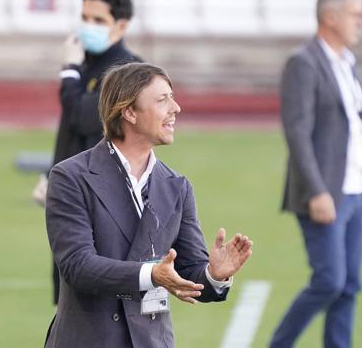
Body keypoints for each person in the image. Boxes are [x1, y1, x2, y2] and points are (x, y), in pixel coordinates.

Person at [44, 62, 253, 348]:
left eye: (173, 96)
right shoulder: (70, 177)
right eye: (162, 99)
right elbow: (78, 265)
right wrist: (151, 275)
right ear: (129, 112)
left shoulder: (177, 186)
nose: (176, 108)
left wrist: (214, 275)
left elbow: (188, 272)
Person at [269, 0, 362, 348]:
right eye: (356, 15)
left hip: (357, 192)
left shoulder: (348, 62)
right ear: (330, 17)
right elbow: (297, 132)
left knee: (348, 287)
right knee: (329, 281)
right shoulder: (304, 63)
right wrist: (317, 191)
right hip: (326, 193)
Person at [45, 0, 142, 304]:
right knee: (68, 298)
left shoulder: (126, 71)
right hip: (75, 195)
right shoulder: (90, 63)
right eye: (84, 17)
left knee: (97, 304)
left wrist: (69, 71)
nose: (88, 27)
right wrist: (53, 177)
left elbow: (84, 117)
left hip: (106, 203)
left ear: (122, 25)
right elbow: (72, 133)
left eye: (98, 21)